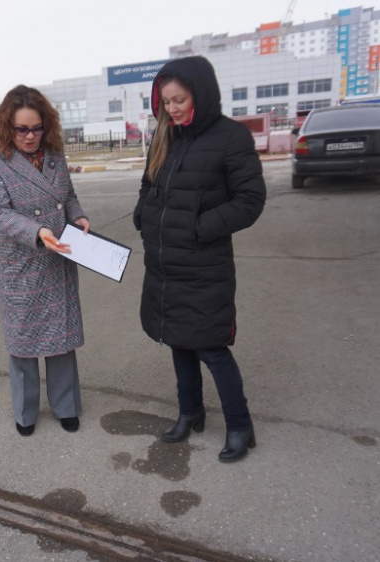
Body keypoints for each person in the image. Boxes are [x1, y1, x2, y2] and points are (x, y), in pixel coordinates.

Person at [132, 56, 266, 463]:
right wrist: (143, 215)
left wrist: (198, 227)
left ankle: (240, 424)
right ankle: (190, 412)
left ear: (200, 95)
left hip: (204, 265)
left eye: (180, 100)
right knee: (178, 341)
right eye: (166, 101)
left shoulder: (230, 137)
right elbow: (148, 184)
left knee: (211, 347)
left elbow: (250, 200)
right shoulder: (165, 136)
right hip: (164, 265)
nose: (172, 109)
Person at [0, 85, 90, 437]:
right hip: (21, 261)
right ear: (6, 126)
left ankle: (66, 406)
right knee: (23, 341)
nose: (30, 136)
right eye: (21, 129)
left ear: (46, 125)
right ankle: (25, 412)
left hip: (58, 256)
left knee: (60, 337)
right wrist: (38, 231)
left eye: (37, 128)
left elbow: (68, 196)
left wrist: (79, 216)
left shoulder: (54, 155)